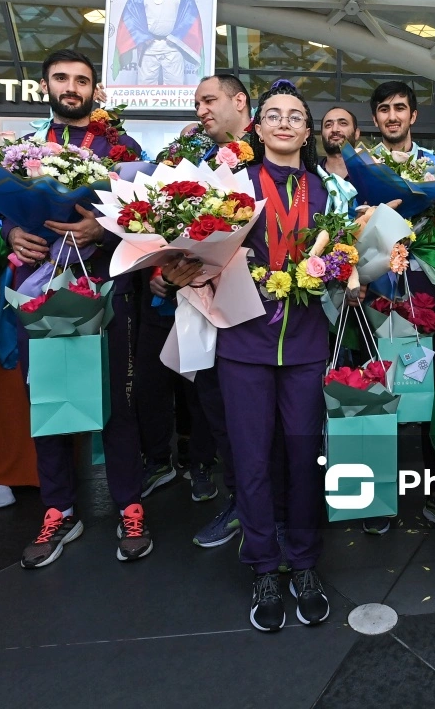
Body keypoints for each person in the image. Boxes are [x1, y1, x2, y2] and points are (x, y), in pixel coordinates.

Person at [3, 49, 157, 568]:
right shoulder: (20, 149)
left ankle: (129, 504)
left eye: (82, 80)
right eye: (62, 78)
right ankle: (58, 509)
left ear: (96, 89)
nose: (72, 87)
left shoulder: (123, 149)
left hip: (105, 291)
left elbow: (148, 221)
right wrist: (10, 233)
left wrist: (105, 226)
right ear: (44, 84)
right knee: (48, 400)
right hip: (37, 286)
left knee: (115, 398)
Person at [211, 80, 339, 632]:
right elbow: (202, 250)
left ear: (307, 132)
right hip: (243, 342)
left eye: (295, 116)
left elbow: (341, 257)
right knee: (253, 462)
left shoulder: (328, 190)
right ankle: (264, 564)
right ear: (256, 128)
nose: (285, 123)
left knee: (306, 459)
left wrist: (349, 268)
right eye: (274, 115)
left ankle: (305, 562)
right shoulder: (231, 185)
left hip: (307, 343)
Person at [355, 81, 435, 539]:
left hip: (431, 294)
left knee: (433, 398)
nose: (392, 116)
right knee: (376, 393)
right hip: (378, 292)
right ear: (376, 118)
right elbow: (348, 228)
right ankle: (376, 496)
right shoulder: (359, 169)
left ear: (414, 116)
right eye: (383, 110)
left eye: (400, 108)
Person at [185, 73, 255, 548]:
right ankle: (240, 502)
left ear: (240, 101)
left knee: (265, 419)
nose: (201, 111)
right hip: (205, 309)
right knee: (218, 412)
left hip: (265, 312)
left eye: (209, 100)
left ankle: (274, 509)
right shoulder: (194, 162)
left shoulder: (275, 151)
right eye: (197, 104)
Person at [118, 0, 204, 86]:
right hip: (148, 45)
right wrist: (143, 37)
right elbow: (129, 18)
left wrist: (176, 37)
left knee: (175, 84)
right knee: (145, 84)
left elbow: (190, 17)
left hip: (173, 45)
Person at [319, 106, 360, 179]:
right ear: (321, 136)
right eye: (328, 125)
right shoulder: (310, 176)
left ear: (356, 134)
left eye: (343, 123)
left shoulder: (372, 174)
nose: (335, 129)